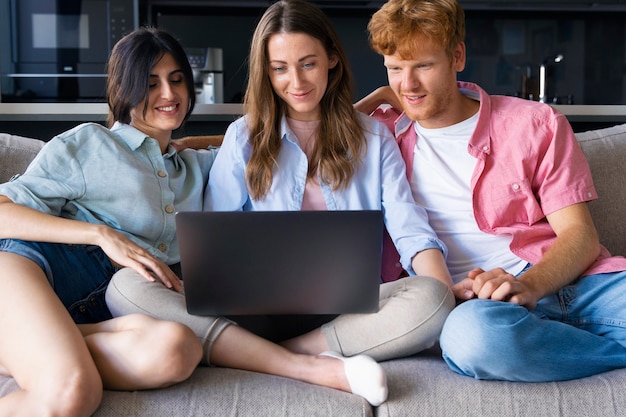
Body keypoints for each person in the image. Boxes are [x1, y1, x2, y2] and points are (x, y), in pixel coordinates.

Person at [106, 0, 455, 406]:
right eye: (280, 68)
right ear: (266, 72)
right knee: (125, 287)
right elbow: (216, 235)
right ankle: (302, 363)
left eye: (308, 64)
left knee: (432, 298)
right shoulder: (244, 136)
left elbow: (411, 231)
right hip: (250, 312)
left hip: (345, 316)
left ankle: (272, 355)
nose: (296, 82)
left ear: (332, 61)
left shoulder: (375, 140)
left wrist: (443, 295)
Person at [356, 0, 626, 382]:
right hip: (480, 310)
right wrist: (381, 96)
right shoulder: (381, 137)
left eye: (424, 66)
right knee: (473, 342)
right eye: (395, 68)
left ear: (458, 56)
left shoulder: (533, 123)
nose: (409, 84)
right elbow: (308, 139)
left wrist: (529, 285)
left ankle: (550, 345)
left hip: (574, 286)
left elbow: (580, 236)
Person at [0, 27, 215, 416]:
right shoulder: (90, 143)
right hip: (30, 269)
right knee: (72, 393)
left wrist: (186, 143)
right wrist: (101, 234)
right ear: (125, 89)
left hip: (100, 308)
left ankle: (27, 343)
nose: (168, 94)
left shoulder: (193, 169)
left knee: (177, 351)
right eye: (151, 84)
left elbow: (262, 138)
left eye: (177, 79)